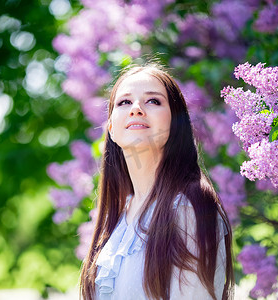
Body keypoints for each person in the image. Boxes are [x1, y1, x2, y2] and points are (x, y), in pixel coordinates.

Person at [80, 63, 234, 300]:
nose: (136, 109)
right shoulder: (119, 217)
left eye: (153, 101)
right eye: (124, 102)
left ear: (175, 123)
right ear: (111, 128)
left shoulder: (188, 207)